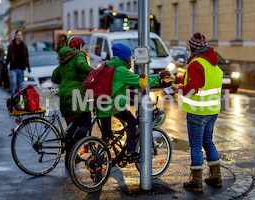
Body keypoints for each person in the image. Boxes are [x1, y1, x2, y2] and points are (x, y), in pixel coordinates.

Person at [97, 43, 169, 162]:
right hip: (113, 106)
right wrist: (159, 77)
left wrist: (127, 94)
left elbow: (115, 86)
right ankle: (130, 152)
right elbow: (141, 82)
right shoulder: (121, 70)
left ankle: (98, 161)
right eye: (130, 57)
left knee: (106, 137)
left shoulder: (107, 66)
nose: (131, 60)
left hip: (101, 105)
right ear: (125, 58)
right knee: (132, 121)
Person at [171, 32, 223, 191]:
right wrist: (176, 79)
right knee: (207, 141)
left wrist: (177, 89)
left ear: (192, 47)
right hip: (212, 111)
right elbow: (198, 81)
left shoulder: (196, 63)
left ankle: (196, 180)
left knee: (195, 145)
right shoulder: (212, 63)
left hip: (197, 112)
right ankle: (216, 177)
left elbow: (192, 88)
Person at [52, 36, 93, 167]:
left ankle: (70, 159)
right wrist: (96, 73)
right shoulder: (79, 56)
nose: (84, 49)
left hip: (64, 97)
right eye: (83, 46)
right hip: (75, 96)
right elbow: (82, 66)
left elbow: (54, 77)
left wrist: (66, 81)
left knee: (72, 129)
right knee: (86, 123)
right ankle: (74, 150)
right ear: (79, 47)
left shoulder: (64, 60)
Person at [7, 30, 31, 95]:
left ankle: (19, 100)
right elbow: (8, 56)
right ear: (15, 36)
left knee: (20, 86)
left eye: (20, 35)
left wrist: (28, 67)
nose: (19, 36)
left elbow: (26, 56)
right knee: (13, 82)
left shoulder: (24, 45)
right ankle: (12, 97)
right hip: (13, 68)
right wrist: (6, 66)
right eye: (18, 35)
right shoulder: (11, 45)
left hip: (21, 67)